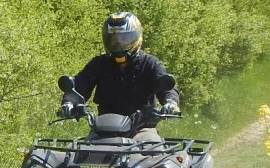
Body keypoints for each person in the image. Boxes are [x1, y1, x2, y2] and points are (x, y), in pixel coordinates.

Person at [58, 11, 180, 140]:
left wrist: (170, 103)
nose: (118, 44)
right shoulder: (98, 64)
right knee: (84, 150)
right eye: (113, 39)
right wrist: (69, 103)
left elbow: (167, 87)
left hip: (142, 129)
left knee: (152, 147)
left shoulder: (150, 63)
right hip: (103, 130)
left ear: (137, 38)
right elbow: (79, 87)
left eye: (124, 39)